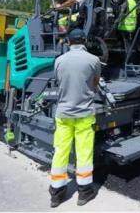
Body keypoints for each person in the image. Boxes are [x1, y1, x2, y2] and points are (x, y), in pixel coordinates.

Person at [49, 29, 100, 207]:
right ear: (84, 41)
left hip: (63, 114)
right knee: (84, 153)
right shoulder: (94, 60)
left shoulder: (59, 61)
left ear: (68, 42)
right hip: (85, 114)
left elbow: (59, 81)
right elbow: (95, 83)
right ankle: (84, 193)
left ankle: (56, 193)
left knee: (60, 152)